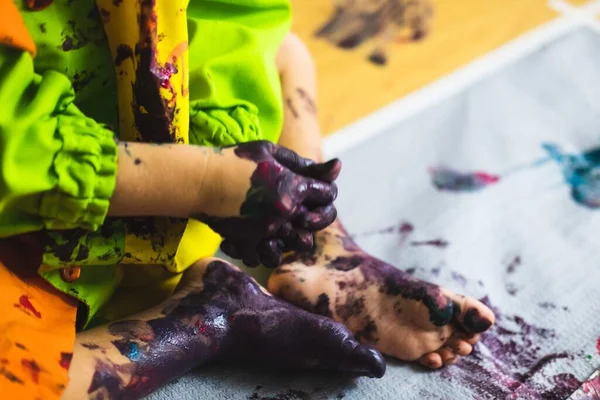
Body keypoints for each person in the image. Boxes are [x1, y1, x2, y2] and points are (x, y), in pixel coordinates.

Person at [0, 0, 495, 399]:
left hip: (196, 167)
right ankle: (205, 317)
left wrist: (235, 153)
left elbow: (237, 17)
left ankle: (316, 242)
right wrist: (202, 181)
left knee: (286, 52)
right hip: (31, 228)